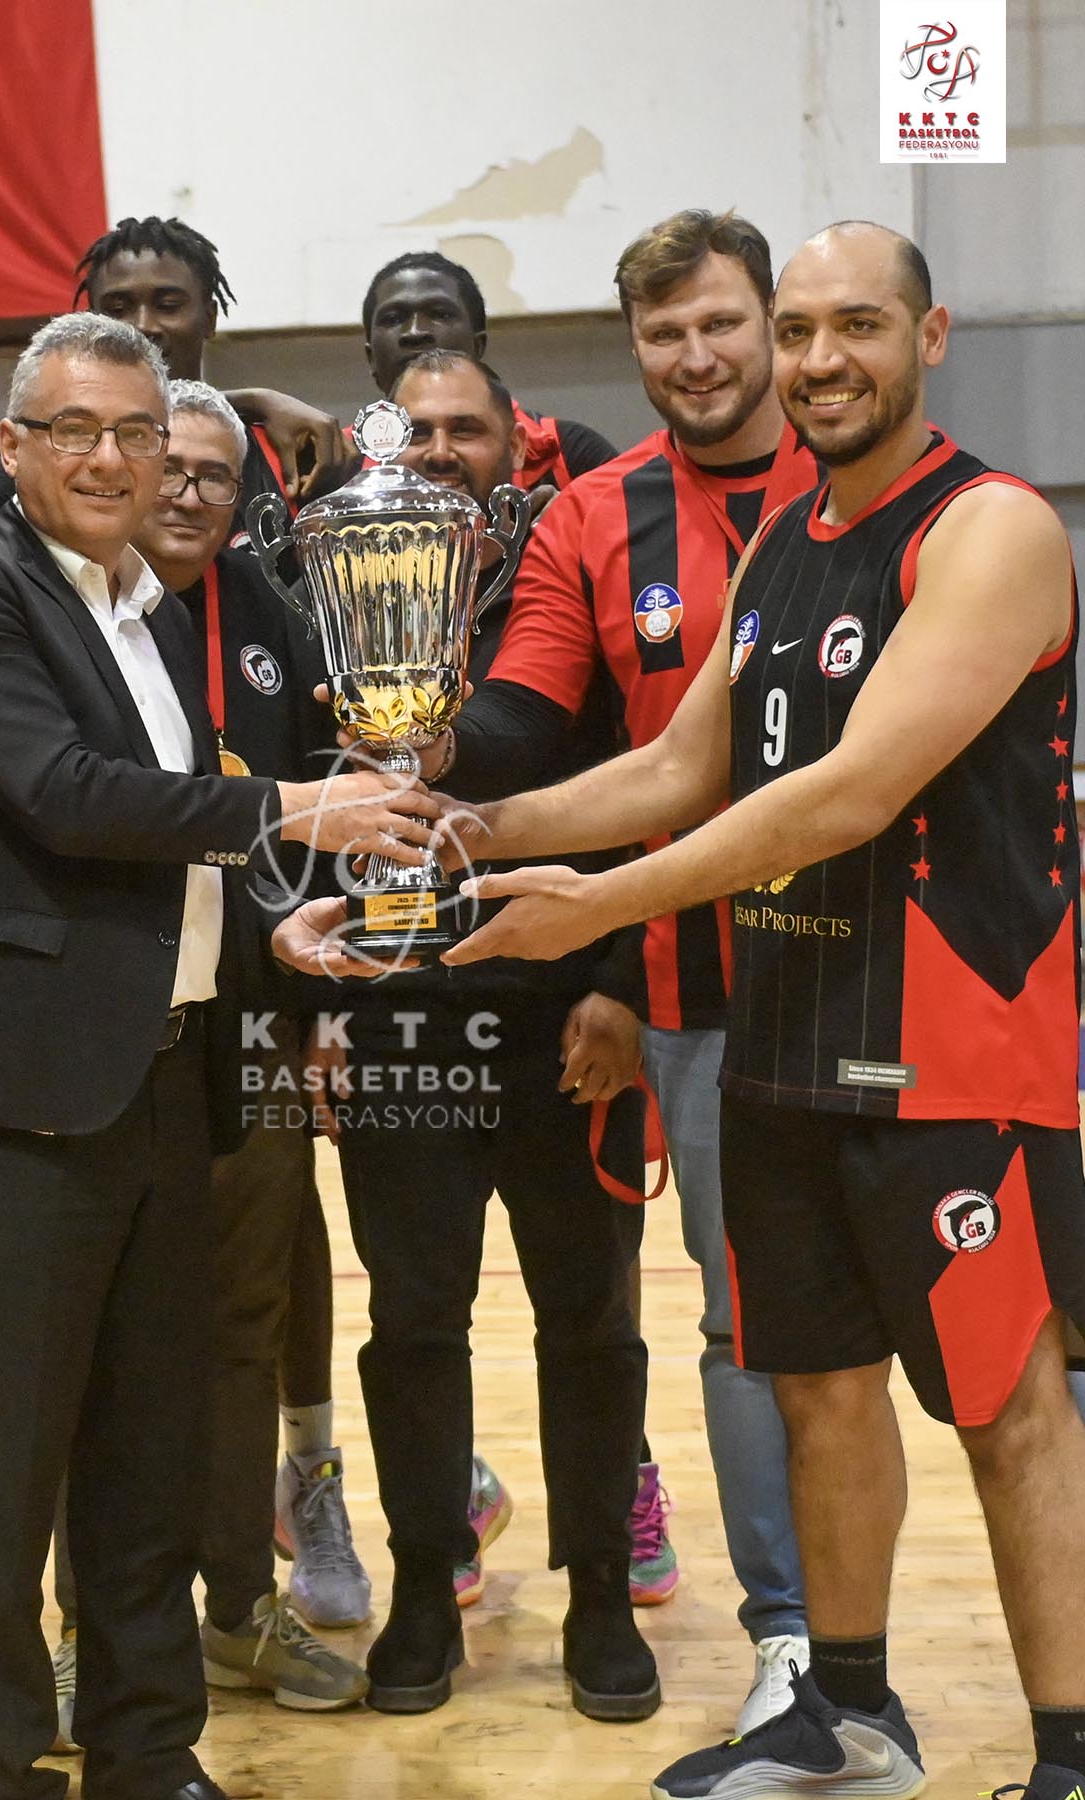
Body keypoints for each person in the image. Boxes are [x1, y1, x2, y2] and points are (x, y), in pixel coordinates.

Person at [302, 221, 1085, 1800]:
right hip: (781, 1042)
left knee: (1011, 1411)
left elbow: (847, 794)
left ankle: (1070, 1749)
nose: (819, 361)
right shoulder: (788, 535)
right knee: (818, 1392)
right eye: (800, 332)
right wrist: (452, 841)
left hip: (956, 1053)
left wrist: (599, 907)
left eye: (856, 327)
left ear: (930, 339)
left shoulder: (992, 528)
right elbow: (676, 770)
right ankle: (849, 1717)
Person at [0, 311, 438, 1800]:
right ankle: (0, 1768)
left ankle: (147, 1750)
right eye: (75, 430)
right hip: (19, 1097)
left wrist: (277, 927)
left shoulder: (151, 610)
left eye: (136, 432)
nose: (111, 459)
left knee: (149, 1451)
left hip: (168, 1078)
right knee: (9, 1468)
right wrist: (296, 811)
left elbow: (165, 851)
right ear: (14, 448)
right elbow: (66, 796)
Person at [385, 208, 820, 1729]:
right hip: (695, 994)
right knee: (739, 1326)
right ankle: (791, 1640)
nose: (695, 355)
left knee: (963, 1347)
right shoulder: (593, 515)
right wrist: (424, 749)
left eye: (720, 323)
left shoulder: (883, 494)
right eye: (663, 332)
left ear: (773, 325)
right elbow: (540, 717)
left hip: (897, 985)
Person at [294, 348, 659, 1723]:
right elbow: (295, 816)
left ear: (517, 447)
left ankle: (600, 1594)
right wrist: (324, 1002)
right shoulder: (328, 585)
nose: (441, 447)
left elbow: (647, 793)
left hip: (563, 1014)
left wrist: (620, 982)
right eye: (418, 427)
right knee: (411, 1321)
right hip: (397, 1018)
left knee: (592, 1319)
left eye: (468, 427)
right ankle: (420, 1588)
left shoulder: (570, 584)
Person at [39, 378, 367, 1735]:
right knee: (94, 1340)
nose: (183, 491)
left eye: (212, 476)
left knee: (241, 1330)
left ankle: (236, 1606)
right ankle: (90, 1630)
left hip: (257, 1030)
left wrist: (324, 1010)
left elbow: (323, 823)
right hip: (101, 1039)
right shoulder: (59, 614)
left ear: (244, 500)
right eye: (163, 463)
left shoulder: (275, 618)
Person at [0, 215, 349, 539]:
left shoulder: (284, 451)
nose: (143, 325)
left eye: (168, 305)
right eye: (118, 308)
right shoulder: (30, 462)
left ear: (209, 317)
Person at [361, 249, 617, 496]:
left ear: (478, 345)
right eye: (393, 319)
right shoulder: (343, 462)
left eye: (440, 314)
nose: (415, 332)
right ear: (371, 357)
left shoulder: (570, 453)